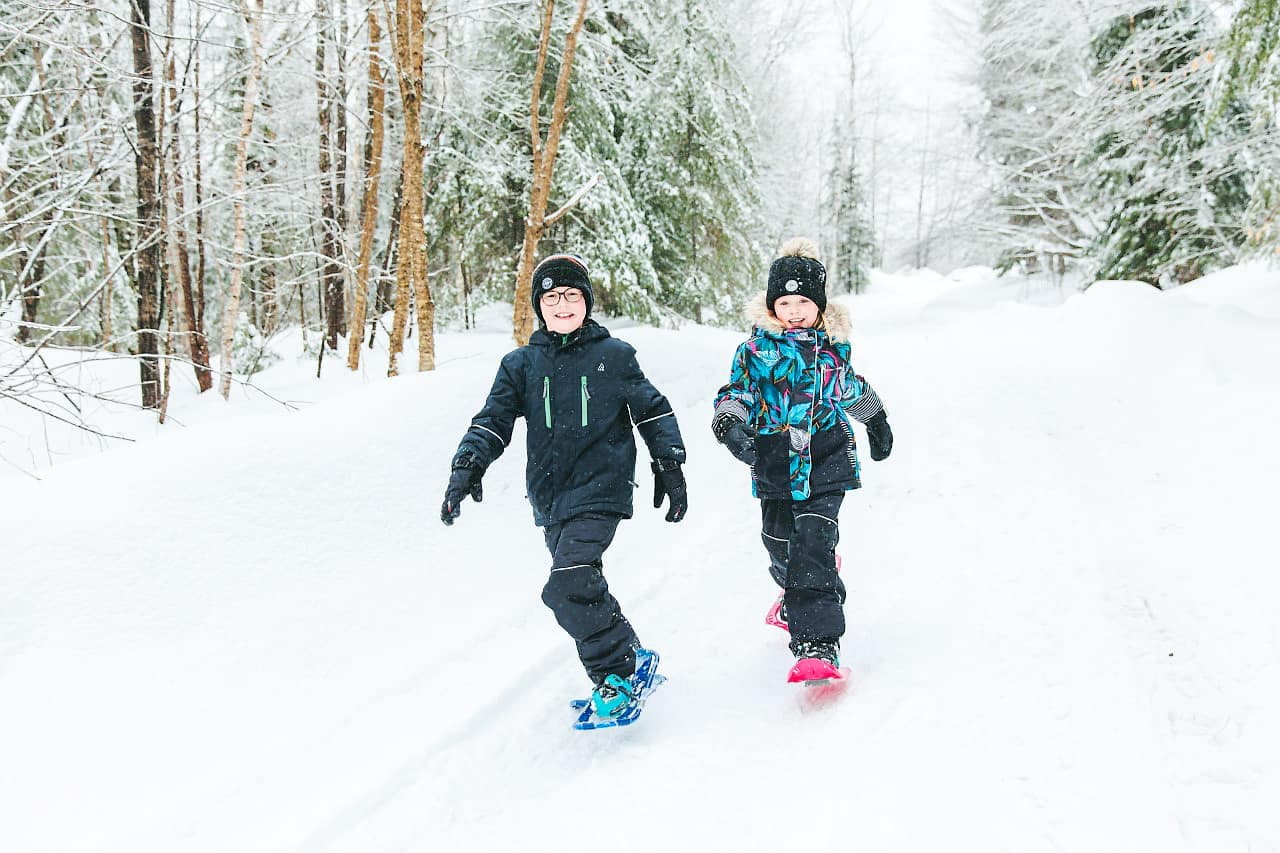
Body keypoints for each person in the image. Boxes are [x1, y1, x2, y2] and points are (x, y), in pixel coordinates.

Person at [441, 253, 688, 717]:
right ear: (540, 305)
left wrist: (669, 464)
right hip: (551, 498)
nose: (562, 304)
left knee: (567, 584)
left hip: (603, 487)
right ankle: (629, 659)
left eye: (572, 295)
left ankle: (618, 670)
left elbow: (652, 409)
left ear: (587, 302)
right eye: (552, 297)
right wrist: (467, 466)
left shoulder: (613, 357)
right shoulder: (522, 364)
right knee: (580, 584)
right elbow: (493, 420)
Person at [711, 238, 893, 676]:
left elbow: (850, 388)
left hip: (827, 458)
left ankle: (816, 644)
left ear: (819, 305)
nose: (794, 310)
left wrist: (877, 419)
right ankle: (801, 588)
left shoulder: (832, 351)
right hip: (774, 462)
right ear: (772, 305)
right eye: (785, 302)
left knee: (812, 542)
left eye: (804, 302)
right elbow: (737, 393)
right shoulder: (753, 352)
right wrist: (730, 424)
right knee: (780, 545)